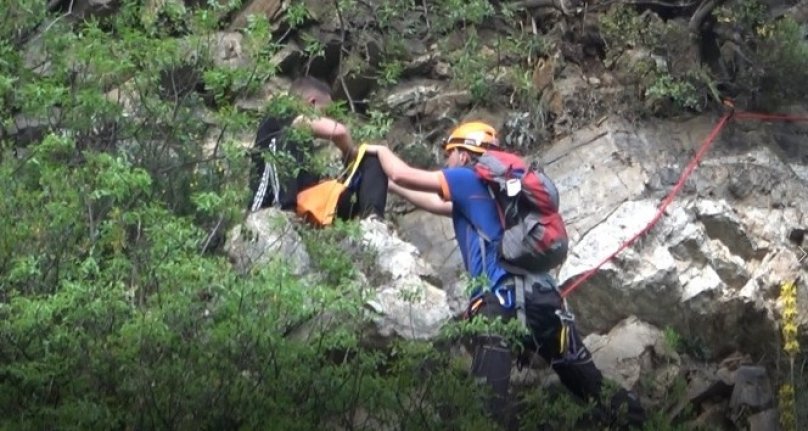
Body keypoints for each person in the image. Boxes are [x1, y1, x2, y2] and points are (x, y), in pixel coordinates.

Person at [363, 122, 645, 429]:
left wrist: (378, 152)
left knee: (487, 405)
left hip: (500, 303)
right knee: (589, 384)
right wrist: (388, 186)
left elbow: (403, 173)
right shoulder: (499, 194)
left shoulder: (466, 178)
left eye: (449, 154)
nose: (446, 161)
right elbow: (429, 200)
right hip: (547, 303)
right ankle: (640, 421)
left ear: (462, 153)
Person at [248, 76, 387, 220]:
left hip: (307, 203)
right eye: (324, 112)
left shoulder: (304, 145)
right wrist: (350, 154)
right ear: (311, 104)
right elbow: (340, 132)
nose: (326, 118)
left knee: (370, 160)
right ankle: (285, 210)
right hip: (269, 207)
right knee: (287, 137)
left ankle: (373, 220)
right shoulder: (284, 113)